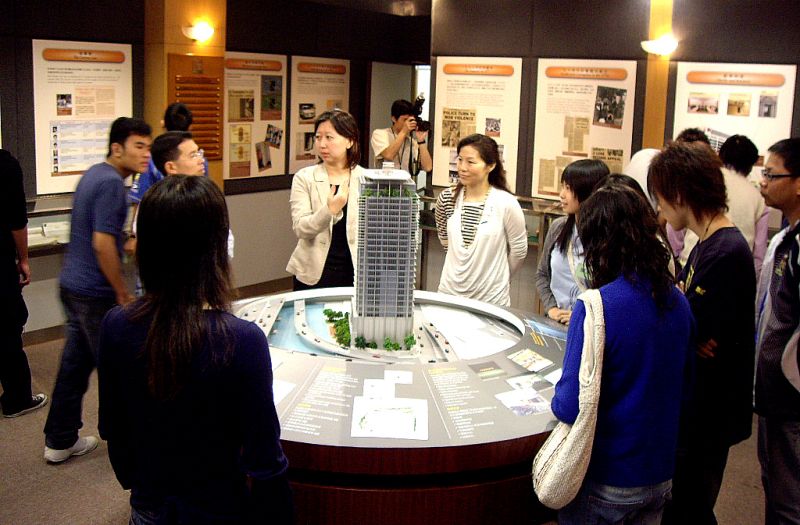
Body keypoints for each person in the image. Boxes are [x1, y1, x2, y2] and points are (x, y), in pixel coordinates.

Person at [98, 176, 292, 524]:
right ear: (215, 249)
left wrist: (141, 487)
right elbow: (265, 458)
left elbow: (113, 428)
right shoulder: (242, 340)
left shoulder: (116, 325)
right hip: (220, 507)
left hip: (149, 503)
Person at [552, 182, 693, 524]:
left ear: (598, 243)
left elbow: (569, 405)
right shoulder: (679, 301)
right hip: (659, 474)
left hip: (606, 477)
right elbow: (686, 387)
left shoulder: (596, 307)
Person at [649, 142, 756, 525]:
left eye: (661, 198)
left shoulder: (726, 251)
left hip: (711, 411)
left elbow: (687, 327)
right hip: (697, 404)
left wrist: (688, 327)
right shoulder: (706, 243)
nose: (660, 209)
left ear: (679, 195)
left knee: (691, 507)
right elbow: (680, 307)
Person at [43, 117, 151, 463]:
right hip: (95, 292)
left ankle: (59, 440)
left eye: (148, 147)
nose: (145, 154)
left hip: (72, 286)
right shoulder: (111, 185)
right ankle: (131, 443)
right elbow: (102, 243)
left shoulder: (93, 174)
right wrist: (121, 292)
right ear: (117, 148)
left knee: (75, 365)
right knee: (121, 369)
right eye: (138, 146)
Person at [754, 138, 800, 525]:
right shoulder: (785, 239)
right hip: (773, 394)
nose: (763, 182)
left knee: (790, 501)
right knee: (774, 485)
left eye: (772, 174)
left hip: (792, 398)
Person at [434, 133, 527, 306]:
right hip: (450, 293)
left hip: (491, 299)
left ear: (490, 166)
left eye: (471, 162)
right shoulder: (447, 198)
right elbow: (446, 243)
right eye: (460, 160)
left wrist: (500, 277)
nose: (462, 167)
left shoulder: (506, 203)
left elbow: (519, 251)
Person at [287, 110, 364, 290]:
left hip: (355, 272)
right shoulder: (304, 177)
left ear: (350, 141)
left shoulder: (365, 179)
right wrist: (329, 211)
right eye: (318, 137)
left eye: (329, 137)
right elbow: (301, 228)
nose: (322, 144)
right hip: (313, 273)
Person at [0, 149, 48, 418]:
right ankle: (17, 400)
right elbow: (17, 221)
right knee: (7, 329)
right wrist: (24, 259)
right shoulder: (4, 164)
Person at [678, 134, 768, 277]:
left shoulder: (701, 182)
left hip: (692, 268)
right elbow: (759, 255)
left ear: (719, 155)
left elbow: (677, 228)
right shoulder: (759, 198)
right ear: (751, 166)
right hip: (734, 275)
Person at [535, 159, 609, 324]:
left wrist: (582, 316)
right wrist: (551, 309)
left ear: (588, 191)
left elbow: (612, 293)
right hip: (555, 322)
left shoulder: (607, 236)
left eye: (568, 188)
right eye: (562, 186)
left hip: (589, 328)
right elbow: (542, 275)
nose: (562, 194)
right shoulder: (558, 228)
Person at [370, 99, 432, 176]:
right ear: (393, 119)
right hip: (385, 182)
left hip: (405, 183)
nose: (408, 123)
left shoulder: (411, 142)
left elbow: (428, 167)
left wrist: (421, 140)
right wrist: (404, 131)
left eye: (411, 120)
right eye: (405, 120)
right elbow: (389, 155)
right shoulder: (380, 134)